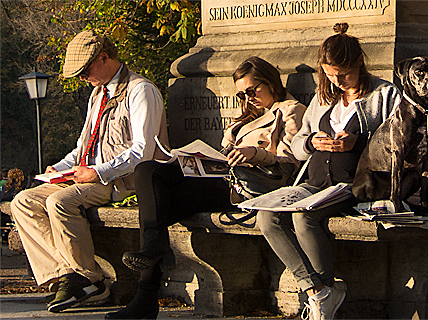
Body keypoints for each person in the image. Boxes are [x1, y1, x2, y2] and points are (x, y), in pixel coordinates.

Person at [105, 56, 307, 319]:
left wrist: (254, 154)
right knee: (148, 173)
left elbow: (289, 166)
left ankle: (146, 292)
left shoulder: (290, 110)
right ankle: (150, 266)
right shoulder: (245, 116)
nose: (248, 98)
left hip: (246, 187)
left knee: (154, 208)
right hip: (220, 178)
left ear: (270, 82)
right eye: (242, 94)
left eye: (252, 90)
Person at [10, 30, 170, 313]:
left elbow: (142, 152)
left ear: (104, 58)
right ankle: (67, 275)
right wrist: (58, 168)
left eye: (85, 71)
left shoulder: (140, 90)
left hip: (122, 180)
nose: (83, 79)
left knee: (60, 202)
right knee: (22, 202)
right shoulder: (97, 95)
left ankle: (89, 279)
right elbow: (83, 146)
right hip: (87, 175)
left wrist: (97, 172)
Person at [257, 23, 402, 320]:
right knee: (266, 216)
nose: (338, 81)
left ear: (359, 63)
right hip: (315, 183)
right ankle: (318, 291)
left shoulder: (383, 94)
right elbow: (298, 145)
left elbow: (398, 143)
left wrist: (359, 141)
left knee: (305, 217)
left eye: (344, 74)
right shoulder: (324, 96)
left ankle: (322, 302)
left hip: (356, 185)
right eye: (330, 74)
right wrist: (311, 142)